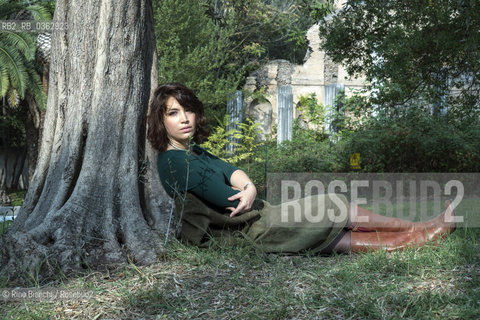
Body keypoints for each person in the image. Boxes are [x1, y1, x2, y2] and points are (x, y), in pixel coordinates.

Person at [147, 82, 456, 254]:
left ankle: (420, 234)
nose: (184, 118)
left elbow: (230, 169)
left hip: (255, 219)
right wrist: (246, 191)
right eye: (174, 113)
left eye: (188, 110)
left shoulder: (193, 152)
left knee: (328, 234)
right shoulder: (174, 161)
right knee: (330, 206)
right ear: (161, 121)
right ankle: (417, 233)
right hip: (246, 230)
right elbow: (229, 197)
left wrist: (250, 185)